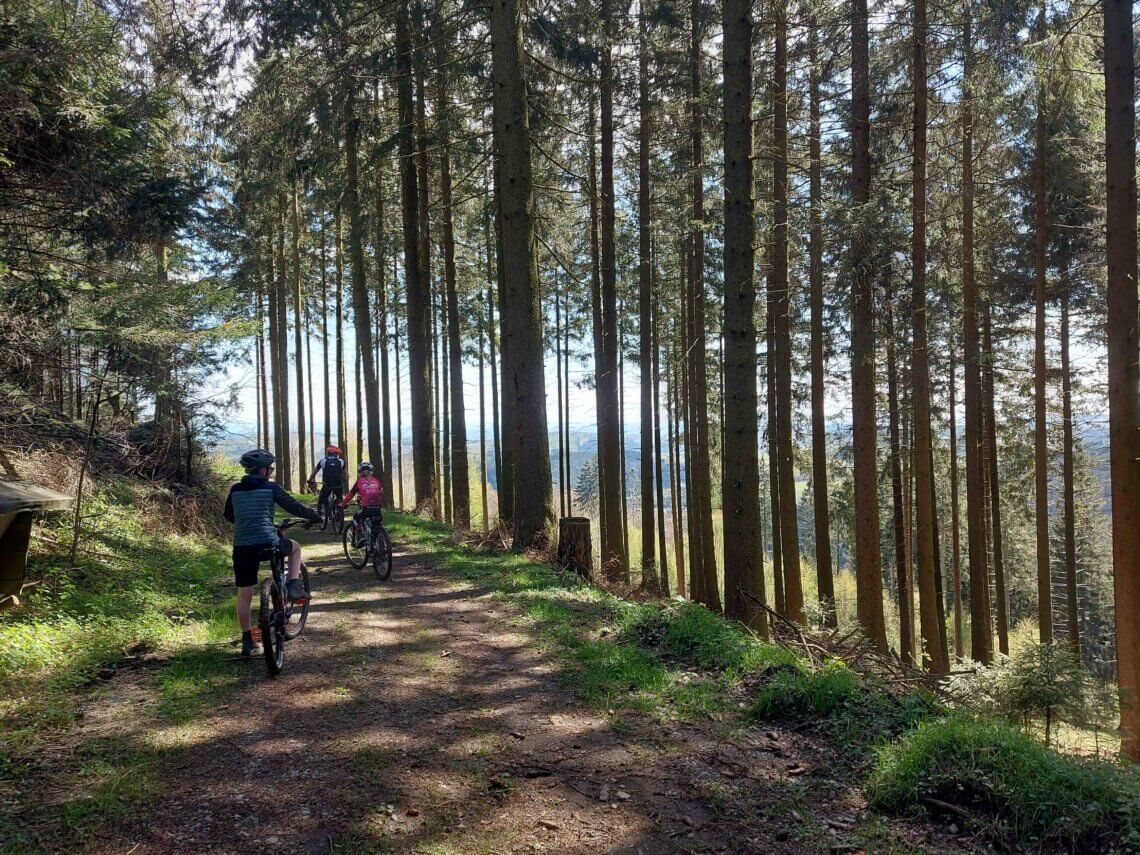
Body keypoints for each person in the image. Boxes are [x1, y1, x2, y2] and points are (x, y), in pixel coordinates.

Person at [224, 448, 320, 656]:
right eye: (269, 468)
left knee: (244, 594)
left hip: (242, 547)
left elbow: (229, 515)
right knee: (295, 548)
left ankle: (247, 641)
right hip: (267, 543)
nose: (270, 471)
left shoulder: (235, 490)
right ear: (263, 470)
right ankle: (294, 586)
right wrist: (313, 516)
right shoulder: (270, 488)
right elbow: (293, 506)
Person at [340, 461, 384, 546]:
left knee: (356, 518)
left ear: (360, 472)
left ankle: (360, 536)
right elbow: (379, 493)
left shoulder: (359, 481)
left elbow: (350, 495)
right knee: (376, 526)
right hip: (378, 509)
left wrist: (343, 504)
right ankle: (380, 544)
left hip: (366, 508)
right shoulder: (376, 481)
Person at [307, 445, 347, 519]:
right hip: (338, 484)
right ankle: (339, 510)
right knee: (339, 497)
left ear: (328, 453)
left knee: (323, 497)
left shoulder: (323, 461)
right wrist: (344, 479)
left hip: (327, 484)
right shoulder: (341, 461)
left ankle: (324, 512)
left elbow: (314, 473)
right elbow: (344, 474)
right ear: (337, 454)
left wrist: (310, 480)